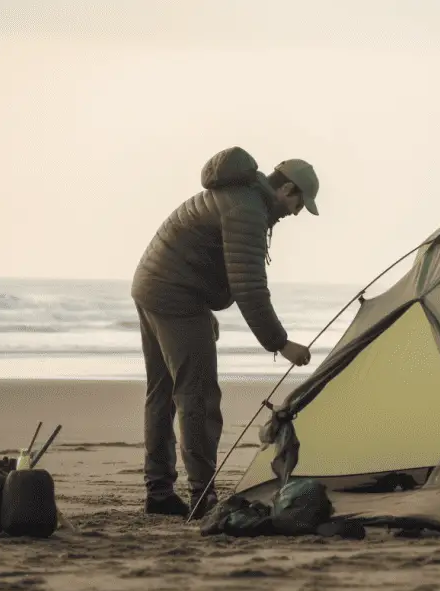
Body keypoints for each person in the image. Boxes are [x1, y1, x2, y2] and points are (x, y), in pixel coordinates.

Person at [130, 146, 318, 520]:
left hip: (154, 285)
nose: (295, 214)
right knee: (196, 396)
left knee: (163, 392)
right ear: (288, 191)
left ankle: (159, 493)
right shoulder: (247, 211)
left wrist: (202, 309)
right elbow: (249, 287)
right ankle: (202, 498)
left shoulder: (240, 198)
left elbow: (201, 257)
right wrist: (280, 343)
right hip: (173, 295)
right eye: (299, 206)